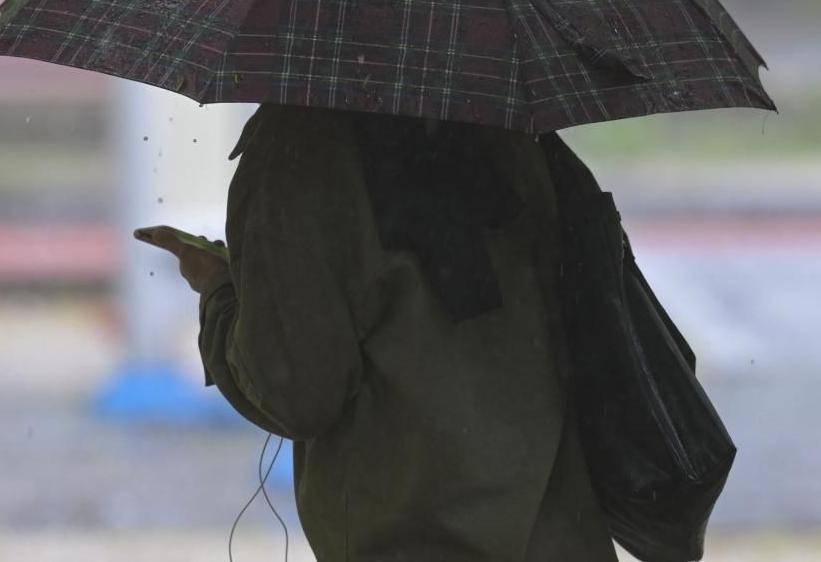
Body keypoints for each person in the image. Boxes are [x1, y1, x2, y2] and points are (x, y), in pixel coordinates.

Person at [143, 103, 618, 561]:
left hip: (417, 540)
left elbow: (294, 391)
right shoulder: (506, 119)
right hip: (562, 536)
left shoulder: (299, 145)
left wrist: (219, 292)